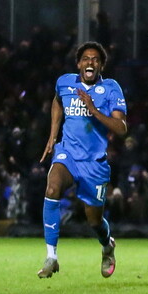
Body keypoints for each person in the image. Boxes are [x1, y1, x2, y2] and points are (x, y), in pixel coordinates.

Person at [38, 41, 128, 279]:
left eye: (96, 59)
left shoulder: (110, 89)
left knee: (94, 220)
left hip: (94, 163)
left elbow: (121, 128)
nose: (90, 62)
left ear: (101, 66)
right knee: (52, 186)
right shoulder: (65, 82)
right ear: (79, 64)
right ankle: (51, 257)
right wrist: (53, 135)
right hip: (68, 154)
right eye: (86, 59)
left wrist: (94, 110)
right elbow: (57, 101)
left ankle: (107, 245)